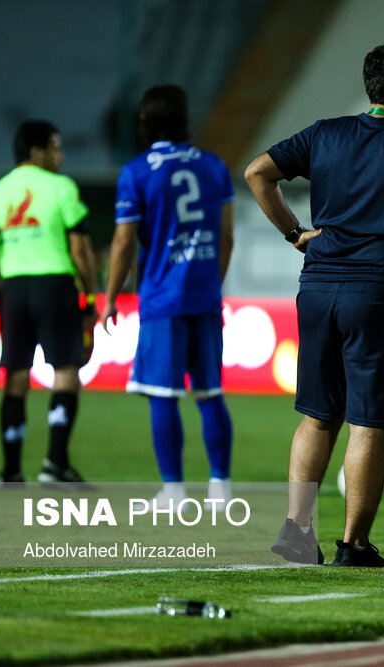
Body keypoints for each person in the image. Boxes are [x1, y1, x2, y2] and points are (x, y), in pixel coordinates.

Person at [245, 43, 384, 567]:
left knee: (319, 414)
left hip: (318, 285)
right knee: (368, 421)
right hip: (377, 290)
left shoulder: (325, 133)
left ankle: (298, 531)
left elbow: (259, 172)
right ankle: (354, 544)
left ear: (369, 86)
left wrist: (295, 233)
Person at [102, 85, 235, 505]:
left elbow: (124, 242)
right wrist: (214, 282)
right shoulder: (214, 166)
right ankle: (220, 487)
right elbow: (227, 236)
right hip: (204, 296)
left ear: (144, 123)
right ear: (184, 119)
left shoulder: (137, 172)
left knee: (163, 393)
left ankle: (174, 490)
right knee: (209, 392)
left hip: (162, 299)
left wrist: (108, 297)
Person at [0, 120, 97, 488]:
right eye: (56, 147)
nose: (61, 155)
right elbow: (79, 248)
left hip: (13, 289)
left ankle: (11, 471)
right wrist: (91, 295)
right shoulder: (62, 187)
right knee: (65, 371)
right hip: (54, 285)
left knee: (15, 377)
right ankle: (55, 464)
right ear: (37, 151)